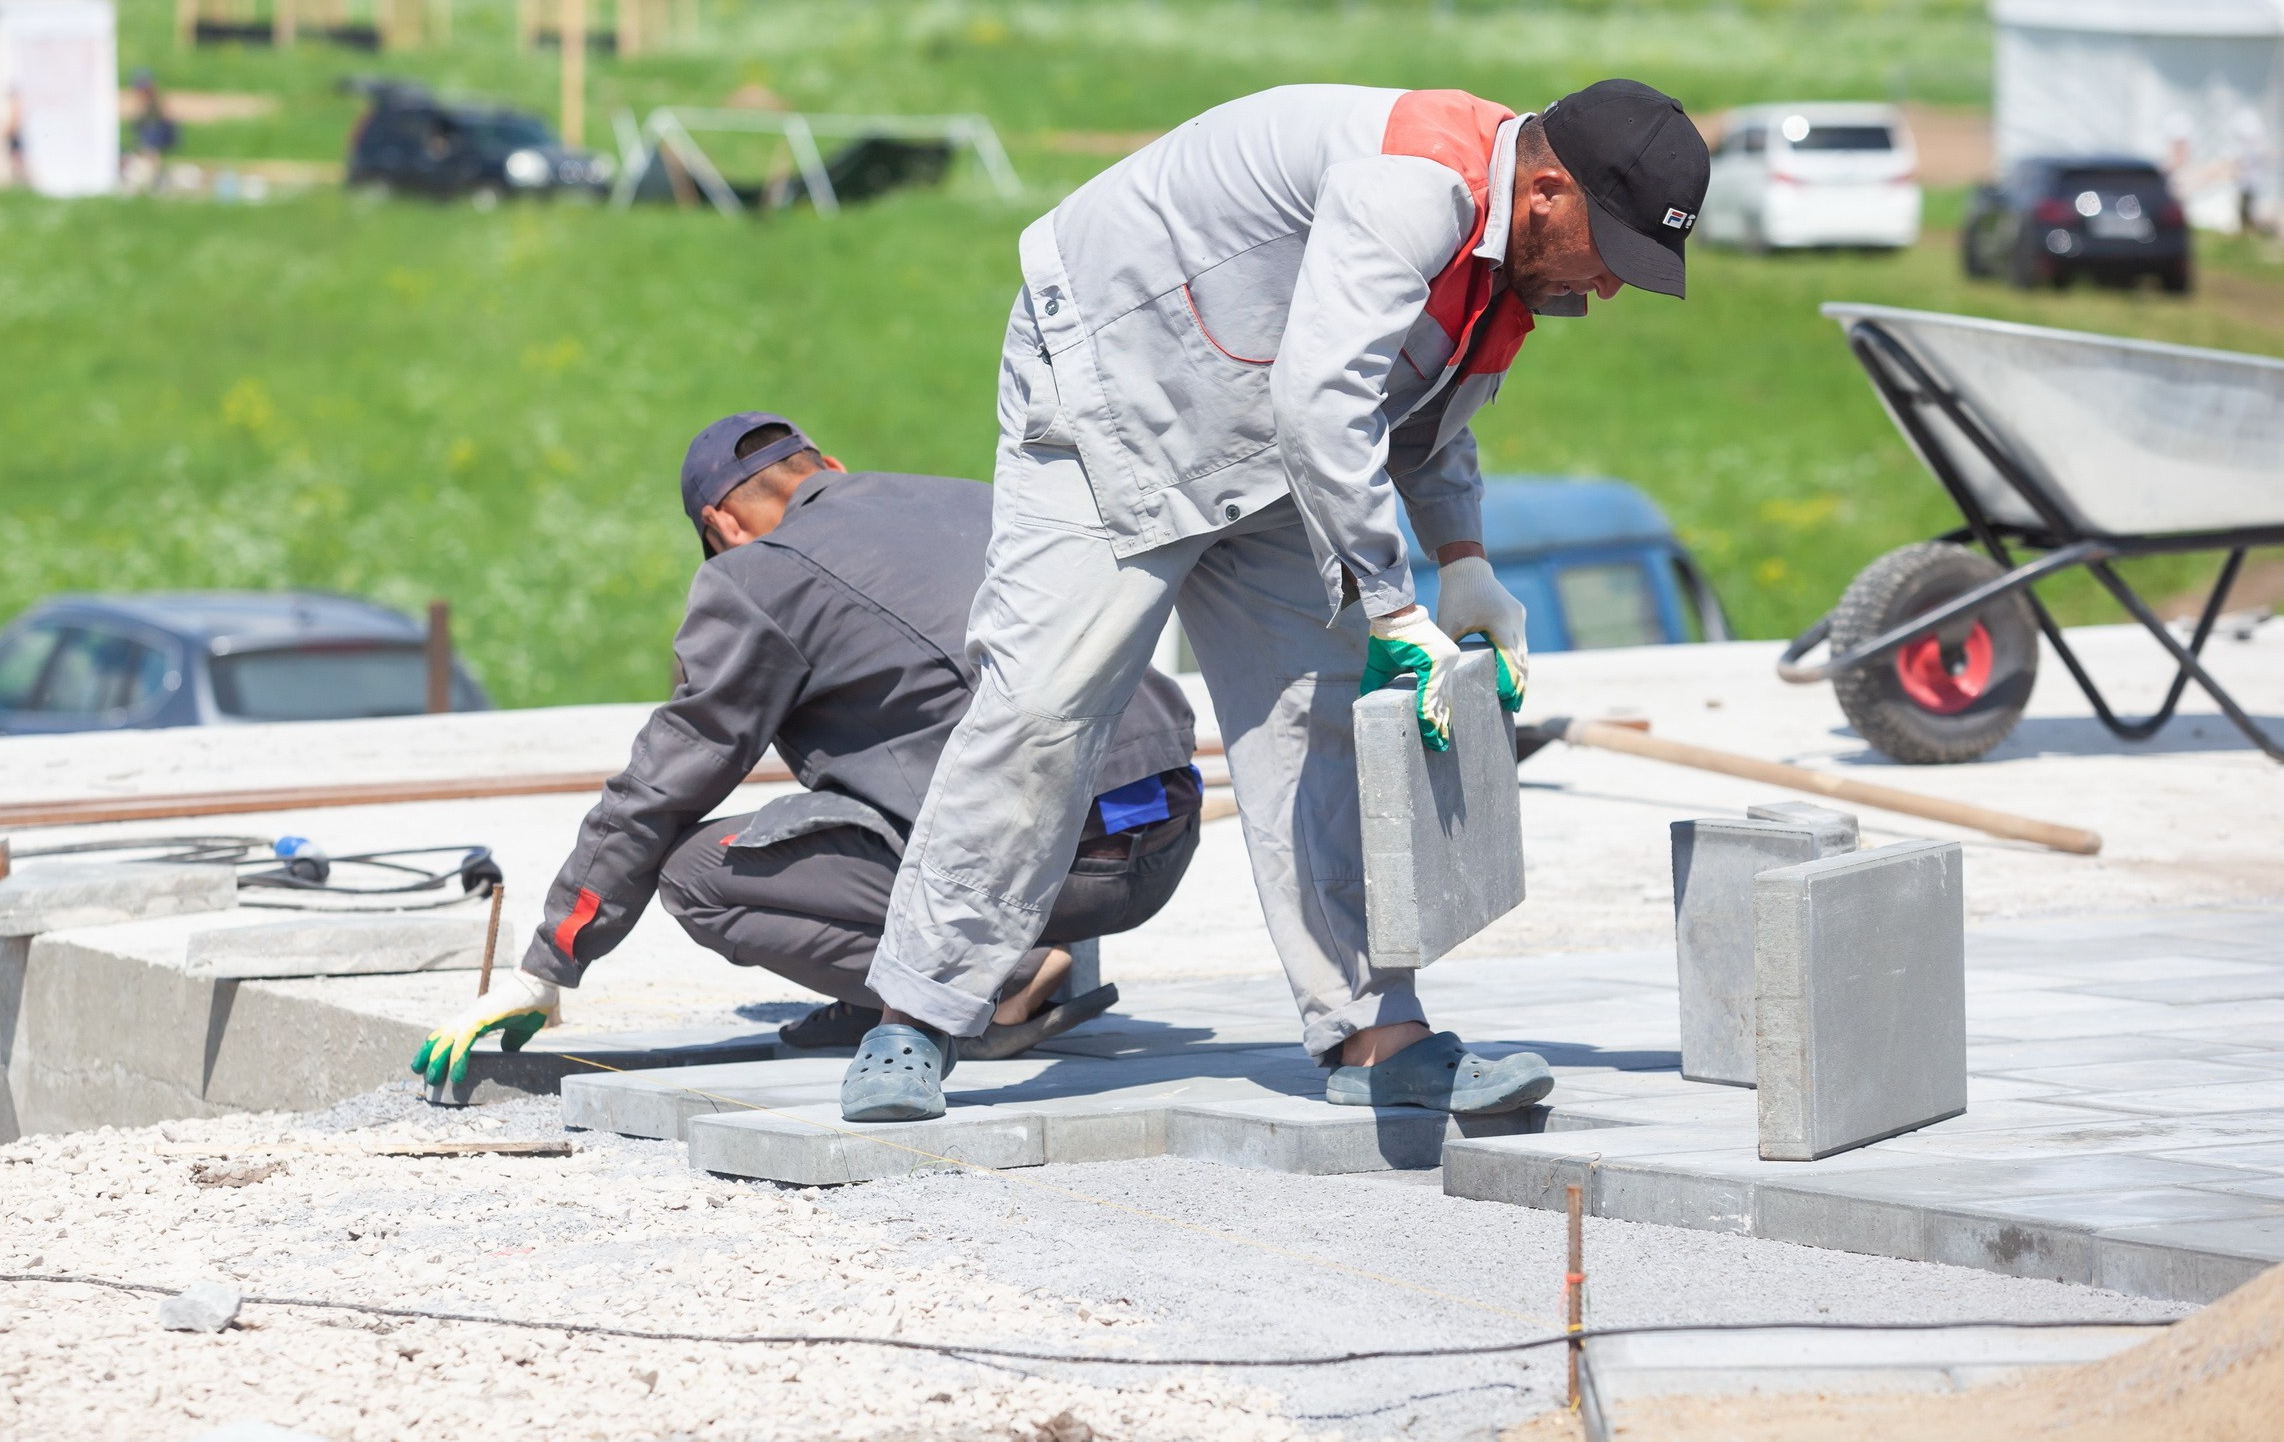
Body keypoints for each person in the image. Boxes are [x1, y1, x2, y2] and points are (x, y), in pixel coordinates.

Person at [841, 80, 1711, 1123]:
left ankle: (1374, 1032)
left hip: (1267, 425)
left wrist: (1464, 556)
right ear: (1546, 192)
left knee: (1318, 720)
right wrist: (1393, 605)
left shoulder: (1498, 252)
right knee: (1043, 709)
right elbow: (1326, 399)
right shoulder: (1412, 191)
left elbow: (1415, 409)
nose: (1609, 287)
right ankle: (914, 1018)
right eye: (1608, 249)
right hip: (1116, 382)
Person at [414, 414, 1203, 1089]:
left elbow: (664, 781)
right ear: (830, 468)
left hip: (1054, 869)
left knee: (700, 871)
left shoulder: (759, 575)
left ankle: (994, 984)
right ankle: (974, 972)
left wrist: (549, 963)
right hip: (1166, 827)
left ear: (721, 527)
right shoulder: (973, 498)